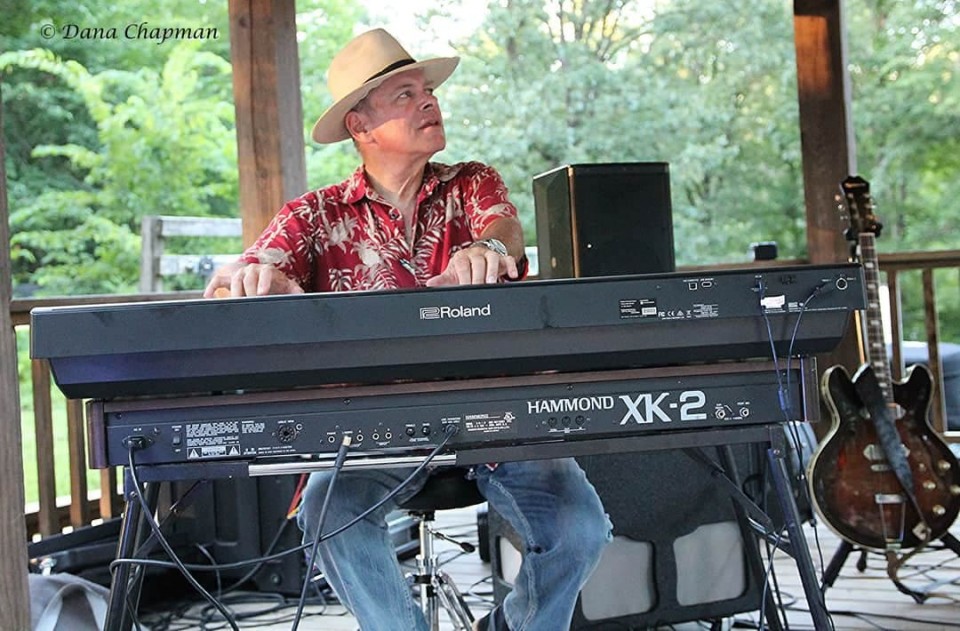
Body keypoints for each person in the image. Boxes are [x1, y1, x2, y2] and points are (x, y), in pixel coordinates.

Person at [204, 28, 611, 631]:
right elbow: (240, 277)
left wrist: (489, 249)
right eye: (405, 94)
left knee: (581, 529)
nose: (429, 101)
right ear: (360, 126)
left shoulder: (471, 182)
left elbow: (504, 230)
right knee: (325, 513)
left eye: (428, 91)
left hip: (493, 411)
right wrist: (251, 278)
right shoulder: (312, 215)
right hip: (372, 426)